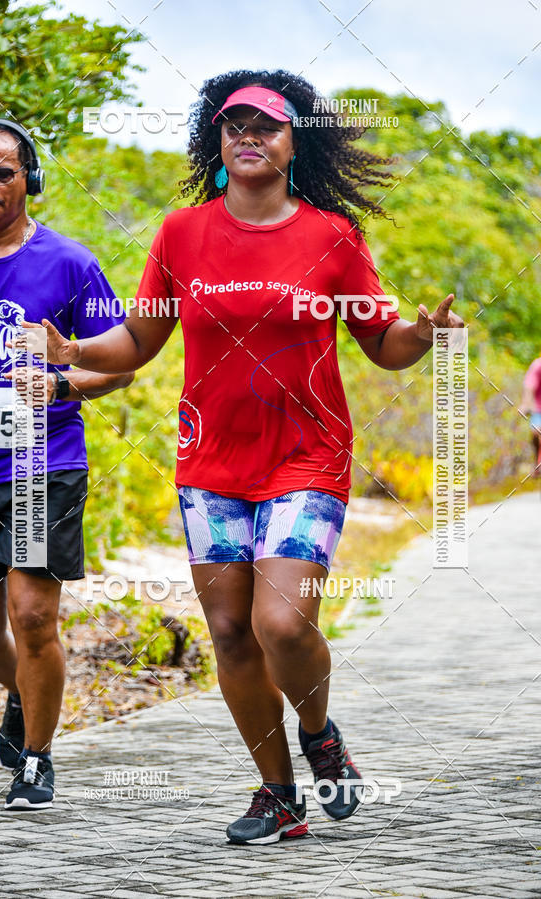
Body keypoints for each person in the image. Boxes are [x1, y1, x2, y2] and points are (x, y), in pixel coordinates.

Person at [25, 71, 464, 843]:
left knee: (282, 624)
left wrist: (421, 337)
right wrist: (74, 351)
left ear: (296, 141)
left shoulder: (332, 235)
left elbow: (381, 341)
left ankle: (321, 735)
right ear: (215, 139)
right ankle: (278, 794)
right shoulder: (180, 233)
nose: (249, 135)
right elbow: (139, 339)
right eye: (233, 124)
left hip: (307, 456)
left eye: (267, 124)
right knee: (230, 632)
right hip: (210, 461)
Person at [0, 119, 133, 810]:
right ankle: (27, 692)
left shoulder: (70, 262)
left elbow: (122, 366)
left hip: (38, 465)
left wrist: (62, 375)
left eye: (2, 173)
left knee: (31, 616)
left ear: (30, 178)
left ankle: (37, 759)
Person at [520, 355, 541, 476]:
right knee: (536, 431)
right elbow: (529, 387)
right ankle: (536, 462)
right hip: (538, 409)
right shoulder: (537, 366)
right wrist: (525, 404)